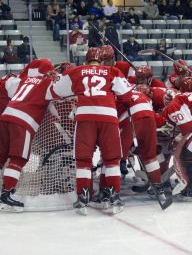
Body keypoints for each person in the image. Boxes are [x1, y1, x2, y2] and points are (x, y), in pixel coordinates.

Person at [51, 47, 134, 215]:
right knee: (112, 160)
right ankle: (114, 196)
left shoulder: (77, 71)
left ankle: (82, 198)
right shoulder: (112, 70)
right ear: (101, 61)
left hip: (85, 117)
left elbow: (57, 91)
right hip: (109, 117)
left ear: (86, 60)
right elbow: (127, 96)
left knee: (83, 160)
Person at [0, 59, 55, 212]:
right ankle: (6, 197)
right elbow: (61, 96)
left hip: (6, 117)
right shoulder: (48, 83)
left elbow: (8, 87)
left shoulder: (24, 79)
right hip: (23, 122)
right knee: (18, 159)